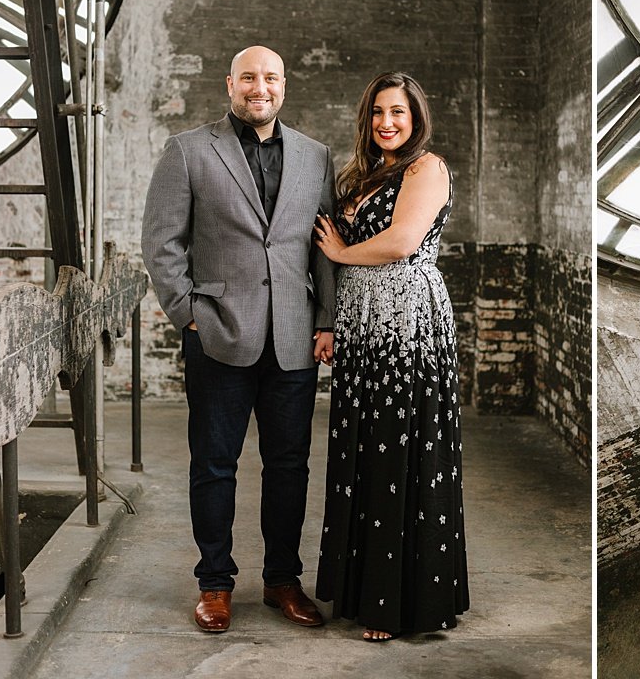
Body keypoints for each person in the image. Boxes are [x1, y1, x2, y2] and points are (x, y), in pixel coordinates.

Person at [141, 45, 336, 632]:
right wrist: (188, 315)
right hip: (218, 333)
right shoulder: (189, 151)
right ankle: (216, 583)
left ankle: (282, 580)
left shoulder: (314, 156)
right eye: (249, 77)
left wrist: (325, 320)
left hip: (295, 338)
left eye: (271, 77)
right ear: (230, 83)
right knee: (215, 464)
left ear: (284, 85)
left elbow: (323, 248)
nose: (260, 87)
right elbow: (162, 242)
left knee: (289, 465)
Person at [312, 71, 469, 641]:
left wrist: (343, 251)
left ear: (416, 118)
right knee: (364, 450)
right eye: (379, 112)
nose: (387, 122)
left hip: (407, 323)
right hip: (360, 323)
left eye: (398, 112)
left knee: (400, 454)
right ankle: (362, 592)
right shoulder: (361, 174)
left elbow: (403, 241)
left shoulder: (428, 168)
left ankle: (396, 605)